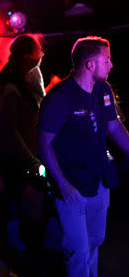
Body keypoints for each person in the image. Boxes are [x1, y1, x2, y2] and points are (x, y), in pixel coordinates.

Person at [38, 36, 129, 277]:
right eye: (107, 59)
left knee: (95, 241)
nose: (111, 65)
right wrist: (63, 185)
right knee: (77, 251)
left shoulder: (103, 89)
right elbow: (44, 143)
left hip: (99, 181)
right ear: (90, 64)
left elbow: (114, 127)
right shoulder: (60, 98)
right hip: (72, 187)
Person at [0, 34, 46, 251]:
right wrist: (31, 162)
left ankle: (14, 234)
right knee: (13, 192)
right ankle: (11, 239)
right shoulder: (11, 89)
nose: (41, 56)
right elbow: (9, 133)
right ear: (27, 57)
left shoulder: (25, 79)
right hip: (8, 151)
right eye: (39, 51)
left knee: (17, 191)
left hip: (17, 150)